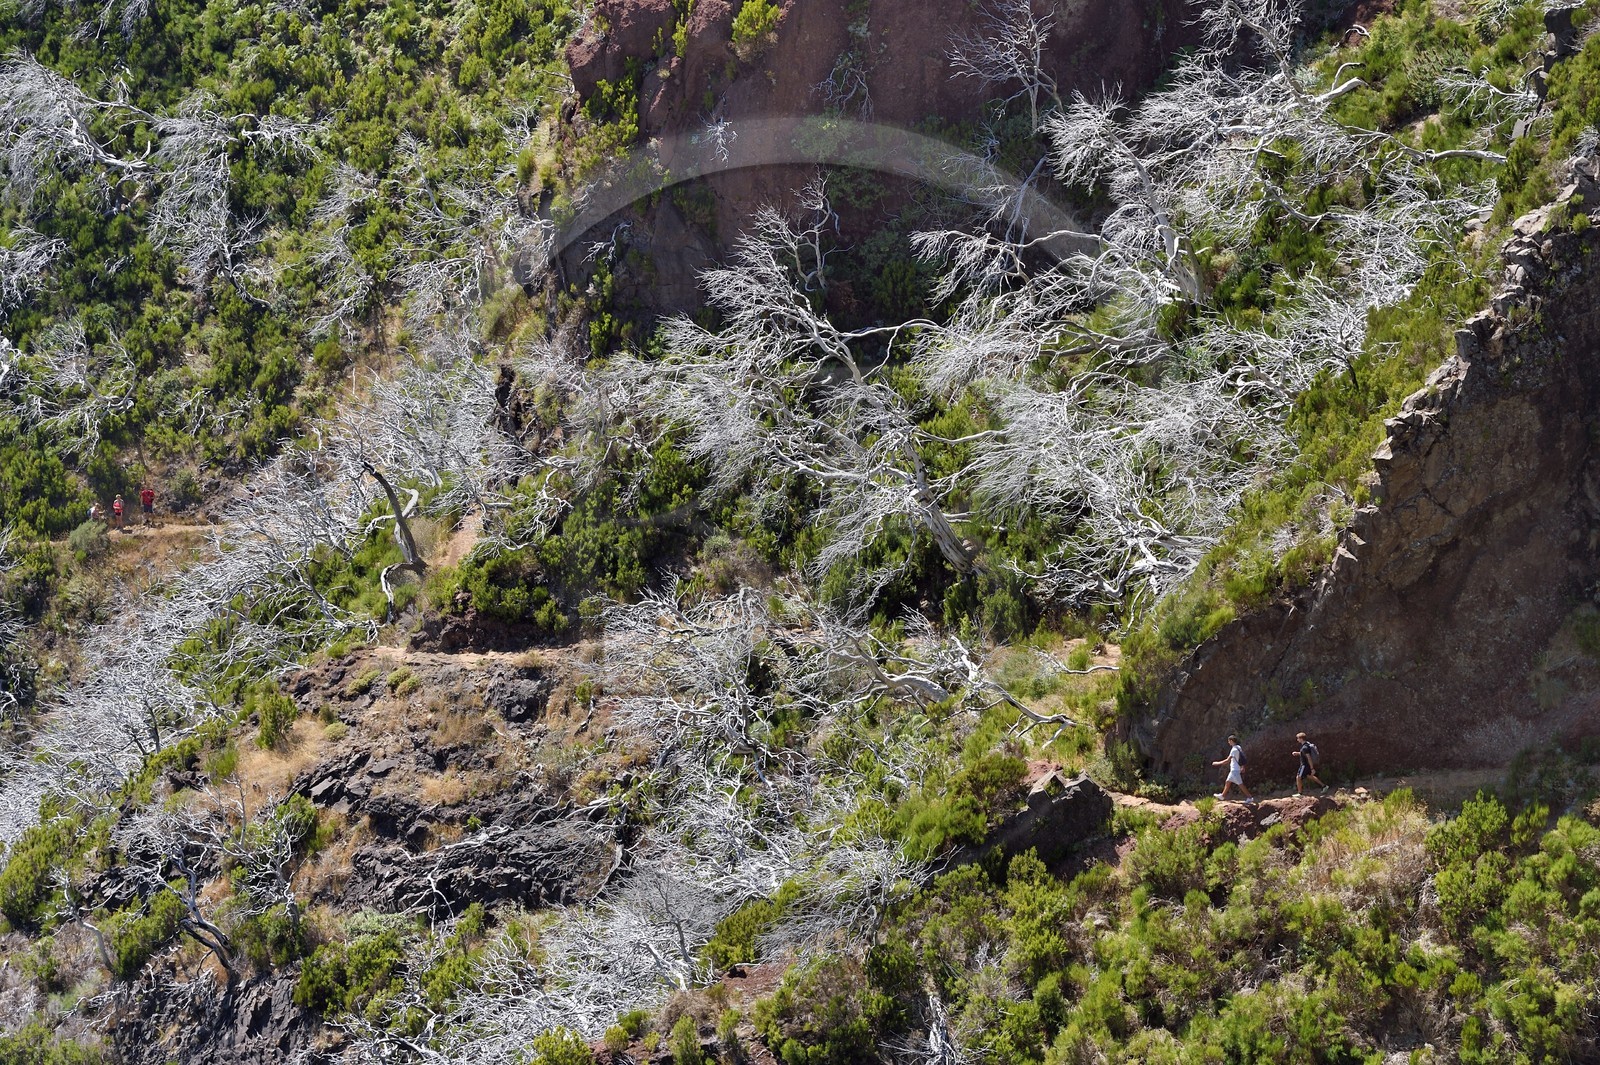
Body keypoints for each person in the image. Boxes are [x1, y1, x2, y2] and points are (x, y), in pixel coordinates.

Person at [1213, 733, 1256, 803]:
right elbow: (1241, 758)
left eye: (1229, 741)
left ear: (1232, 741)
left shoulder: (1233, 750)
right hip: (1235, 769)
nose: (1228, 742)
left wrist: (1217, 763)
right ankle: (1222, 796)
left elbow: (1227, 761)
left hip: (1234, 770)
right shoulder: (1238, 747)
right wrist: (1242, 766)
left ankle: (1250, 797)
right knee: (1228, 782)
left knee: (1241, 784)